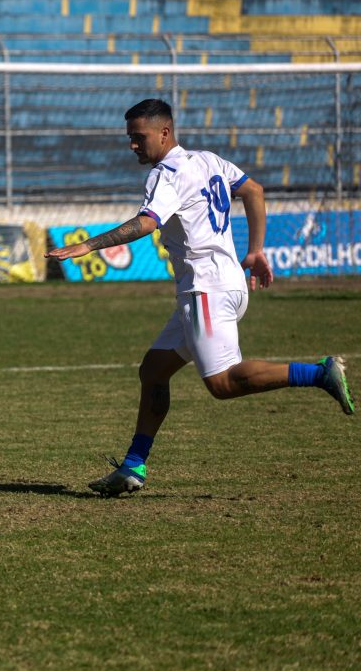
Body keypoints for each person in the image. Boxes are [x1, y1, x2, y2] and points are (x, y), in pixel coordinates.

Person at [45, 98, 354, 497]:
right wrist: (256, 251)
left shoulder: (165, 174)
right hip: (226, 284)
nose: (133, 145)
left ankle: (319, 373)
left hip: (205, 289)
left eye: (139, 137)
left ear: (164, 133)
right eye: (130, 138)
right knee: (154, 371)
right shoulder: (209, 160)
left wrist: (87, 245)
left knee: (223, 383)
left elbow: (146, 223)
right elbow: (254, 190)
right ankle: (133, 466)